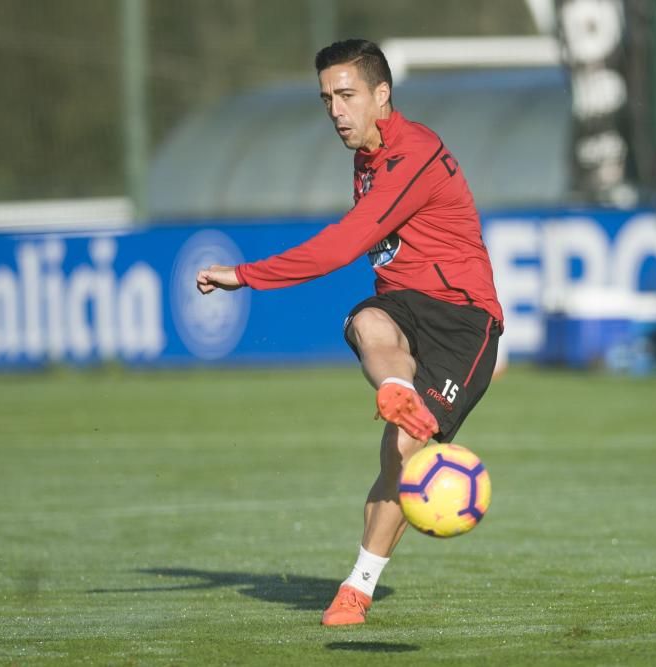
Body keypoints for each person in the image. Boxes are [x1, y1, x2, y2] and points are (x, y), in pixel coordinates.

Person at [195, 39, 504, 626]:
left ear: (381, 95)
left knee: (401, 453)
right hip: (404, 308)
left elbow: (341, 246)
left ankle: (359, 586)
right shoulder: (365, 152)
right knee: (367, 320)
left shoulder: (413, 153)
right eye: (326, 99)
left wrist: (245, 275)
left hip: (463, 323)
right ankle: (398, 392)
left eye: (346, 95)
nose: (335, 110)